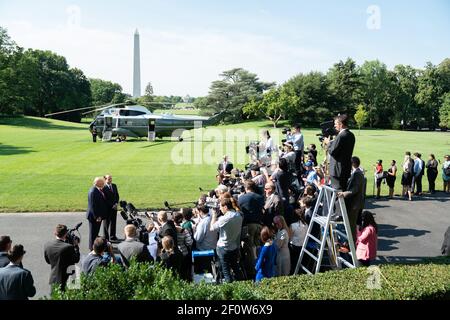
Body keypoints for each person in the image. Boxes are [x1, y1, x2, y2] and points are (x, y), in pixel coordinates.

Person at [210, 198, 244, 283]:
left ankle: (228, 292)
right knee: (236, 269)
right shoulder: (238, 215)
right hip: (234, 246)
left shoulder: (225, 218)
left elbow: (212, 228)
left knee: (226, 272)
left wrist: (214, 215)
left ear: (225, 207)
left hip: (223, 248)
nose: (220, 209)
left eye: (221, 207)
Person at [44, 224, 80, 291]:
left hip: (54, 279)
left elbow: (48, 261)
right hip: (68, 279)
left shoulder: (47, 245)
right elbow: (76, 259)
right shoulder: (69, 247)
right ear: (65, 234)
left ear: (55, 233)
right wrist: (76, 246)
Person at [337, 156, 366, 243]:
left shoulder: (357, 174)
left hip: (354, 204)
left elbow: (355, 189)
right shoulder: (356, 173)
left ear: (353, 163)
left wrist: (344, 193)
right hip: (354, 203)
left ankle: (352, 245)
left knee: (351, 226)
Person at [324, 114, 356, 191]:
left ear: (340, 124)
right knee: (343, 192)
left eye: (335, 124)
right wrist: (333, 142)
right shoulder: (351, 135)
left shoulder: (341, 136)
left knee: (338, 194)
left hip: (337, 171)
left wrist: (328, 143)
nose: (334, 126)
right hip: (345, 169)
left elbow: (333, 152)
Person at [193, 205, 219, 273]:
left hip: (204, 250)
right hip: (213, 247)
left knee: (205, 270)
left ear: (200, 212)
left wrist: (194, 230)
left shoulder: (203, 223)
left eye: (197, 212)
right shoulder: (212, 218)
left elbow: (198, 238)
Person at [86, 177, 108, 250]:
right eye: (102, 183)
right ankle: (92, 248)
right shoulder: (93, 191)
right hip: (94, 217)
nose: (103, 184)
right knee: (93, 233)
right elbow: (93, 206)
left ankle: (95, 247)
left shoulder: (97, 190)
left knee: (95, 232)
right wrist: (97, 217)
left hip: (97, 216)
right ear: (97, 183)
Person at [173, 212, 193, 281]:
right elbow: (189, 242)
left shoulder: (170, 229)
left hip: (173, 253)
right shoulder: (184, 230)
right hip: (183, 252)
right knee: (184, 271)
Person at [289, 207, 308, 275]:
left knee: (294, 262)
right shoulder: (306, 225)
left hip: (294, 246)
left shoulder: (293, 225)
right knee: (300, 262)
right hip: (302, 246)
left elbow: (289, 237)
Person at [102, 174, 120, 241]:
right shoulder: (103, 187)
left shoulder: (114, 185)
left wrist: (116, 203)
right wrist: (112, 205)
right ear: (105, 179)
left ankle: (113, 236)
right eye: (109, 179)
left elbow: (117, 195)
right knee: (106, 224)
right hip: (107, 209)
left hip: (114, 208)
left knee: (113, 222)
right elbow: (105, 199)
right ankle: (106, 238)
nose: (110, 180)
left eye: (111, 178)